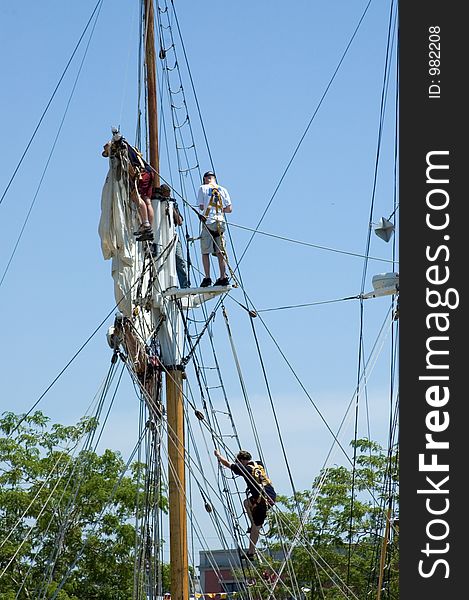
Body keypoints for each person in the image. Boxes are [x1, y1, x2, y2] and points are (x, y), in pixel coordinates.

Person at [214, 448, 276, 560]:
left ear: (242, 460)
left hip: (262, 500)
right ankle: (253, 523)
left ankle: (251, 552)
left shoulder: (245, 468)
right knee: (247, 503)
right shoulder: (258, 464)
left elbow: (228, 464)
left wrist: (218, 455)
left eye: (238, 462)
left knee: (256, 527)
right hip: (271, 495)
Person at [102, 137, 154, 242]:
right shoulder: (128, 147)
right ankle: (148, 228)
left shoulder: (121, 149)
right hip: (148, 171)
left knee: (136, 197)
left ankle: (146, 225)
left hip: (142, 174)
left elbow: (129, 167)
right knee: (147, 200)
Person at [197, 171, 232, 287]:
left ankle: (207, 277)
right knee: (220, 252)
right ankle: (223, 277)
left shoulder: (203, 188)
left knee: (205, 251)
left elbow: (201, 206)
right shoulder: (223, 189)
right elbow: (229, 209)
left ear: (206, 179)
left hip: (208, 222)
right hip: (220, 223)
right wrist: (220, 210)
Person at [157, 184, 189, 288]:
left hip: (172, 236)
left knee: (180, 261)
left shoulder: (172, 204)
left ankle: (185, 286)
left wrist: (171, 206)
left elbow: (179, 221)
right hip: (159, 237)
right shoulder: (156, 204)